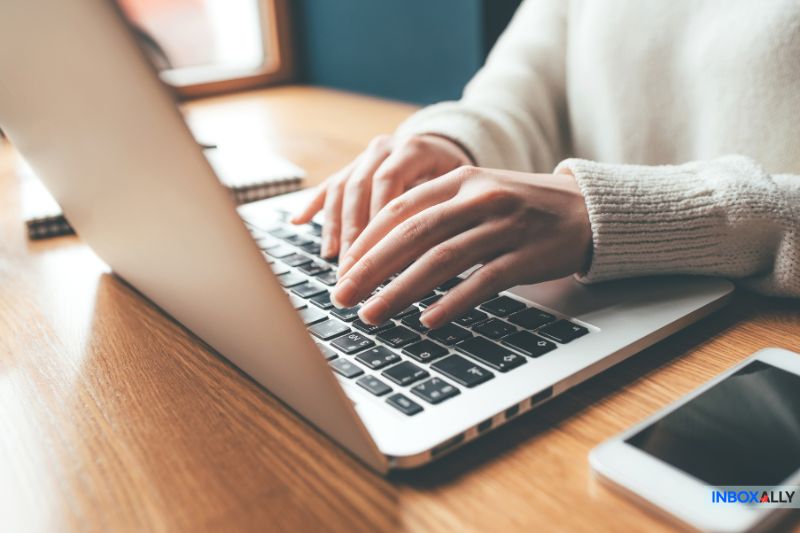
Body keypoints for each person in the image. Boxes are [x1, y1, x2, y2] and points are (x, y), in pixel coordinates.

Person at [292, 0, 800, 329]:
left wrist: (613, 214)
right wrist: (453, 144)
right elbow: (522, 90)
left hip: (759, 334)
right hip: (597, 305)